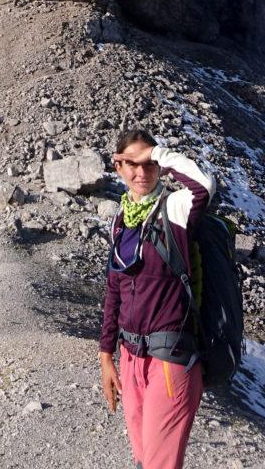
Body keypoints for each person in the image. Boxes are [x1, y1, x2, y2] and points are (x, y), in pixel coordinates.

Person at [99, 128, 216, 469]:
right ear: (117, 167)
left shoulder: (175, 210)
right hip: (131, 357)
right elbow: (113, 290)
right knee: (142, 459)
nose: (140, 172)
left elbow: (203, 185)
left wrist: (159, 154)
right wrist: (107, 356)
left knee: (159, 464)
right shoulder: (121, 221)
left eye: (147, 164)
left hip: (170, 357)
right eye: (130, 164)